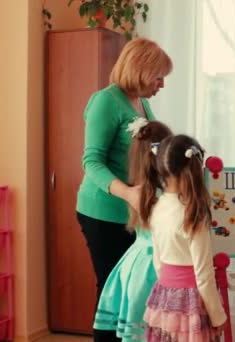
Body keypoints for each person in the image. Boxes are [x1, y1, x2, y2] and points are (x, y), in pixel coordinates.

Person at [76, 37, 172, 342]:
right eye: (158, 77)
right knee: (112, 291)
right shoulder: (105, 101)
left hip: (133, 215)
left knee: (133, 292)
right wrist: (129, 192)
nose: (161, 85)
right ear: (141, 71)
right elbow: (91, 161)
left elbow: (150, 148)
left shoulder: (141, 101)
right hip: (103, 212)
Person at [93, 120, 172, 341]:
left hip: (133, 264)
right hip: (154, 266)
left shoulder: (137, 190)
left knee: (134, 324)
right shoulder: (165, 195)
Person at [143, 135, 227, 341]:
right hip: (191, 301)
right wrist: (218, 316)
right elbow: (203, 275)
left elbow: (158, 262)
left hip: (166, 297)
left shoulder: (158, 206)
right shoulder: (193, 214)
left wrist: (168, 290)